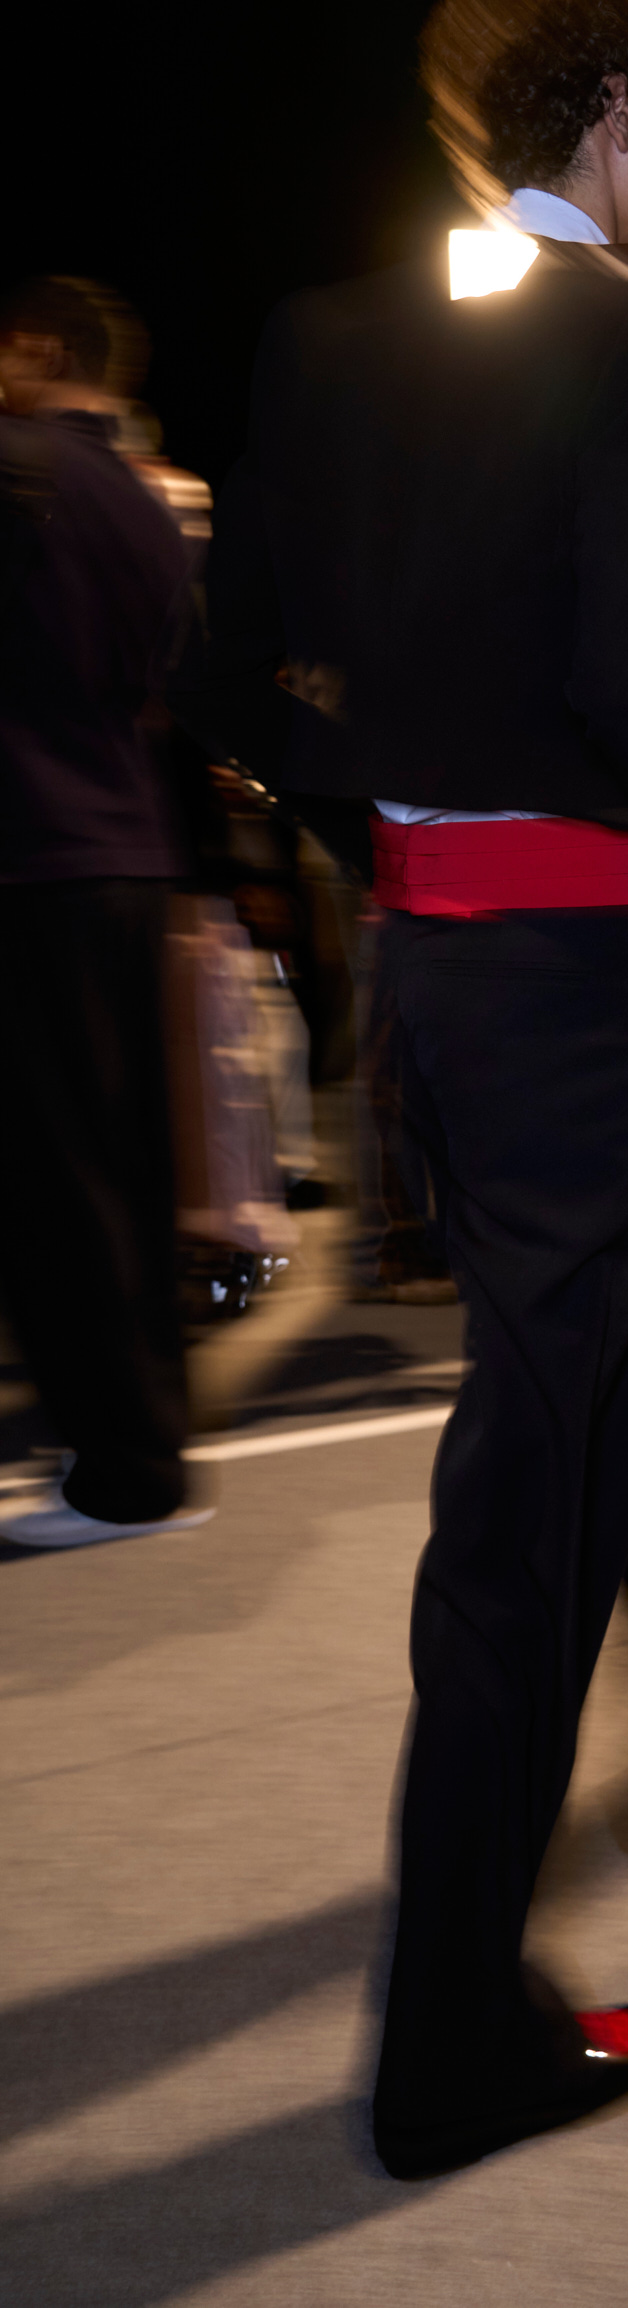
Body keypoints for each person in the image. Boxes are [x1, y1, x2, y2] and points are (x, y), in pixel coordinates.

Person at [171, 0, 628, 2181]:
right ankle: (450, 2046)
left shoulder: (327, 335)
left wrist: (398, 825)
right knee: (521, 1509)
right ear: (619, 109)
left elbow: (226, 683)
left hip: (452, 971)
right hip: (597, 984)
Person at [0, 277, 212, 1550]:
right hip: (132, 852)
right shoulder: (146, 495)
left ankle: (119, 1470)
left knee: (53, 1175)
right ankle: (148, 1434)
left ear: (36, 347)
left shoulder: (16, 470)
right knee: (130, 1165)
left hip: (32, 854)